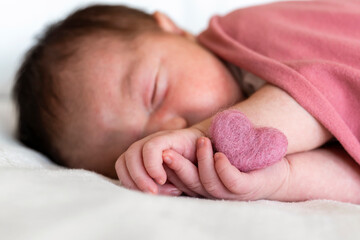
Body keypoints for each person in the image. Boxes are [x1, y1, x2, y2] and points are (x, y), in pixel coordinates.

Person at [12, 1, 360, 203]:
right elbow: (350, 164)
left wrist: (201, 133)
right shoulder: (253, 149)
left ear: (173, 29)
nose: (171, 131)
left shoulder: (249, 33)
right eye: (141, 146)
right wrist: (281, 180)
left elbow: (326, 87)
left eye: (155, 93)